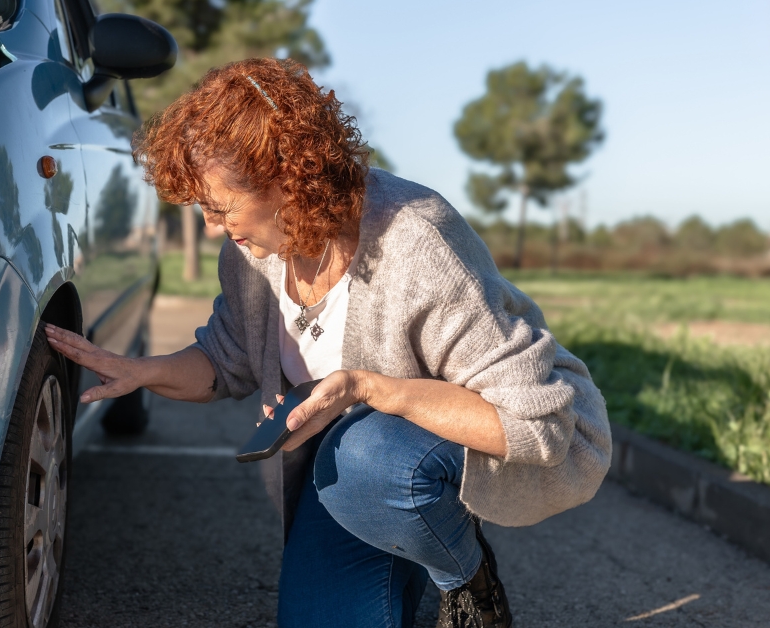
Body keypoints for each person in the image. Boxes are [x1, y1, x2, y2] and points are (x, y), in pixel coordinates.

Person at [43, 57, 611, 628]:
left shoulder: (416, 243)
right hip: (351, 473)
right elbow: (225, 359)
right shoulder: (250, 254)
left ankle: (467, 579)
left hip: (466, 442)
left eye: (221, 206)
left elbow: (538, 426)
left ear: (286, 180)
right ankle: (402, 540)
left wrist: (367, 386)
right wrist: (142, 371)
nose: (214, 225)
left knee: (370, 456)